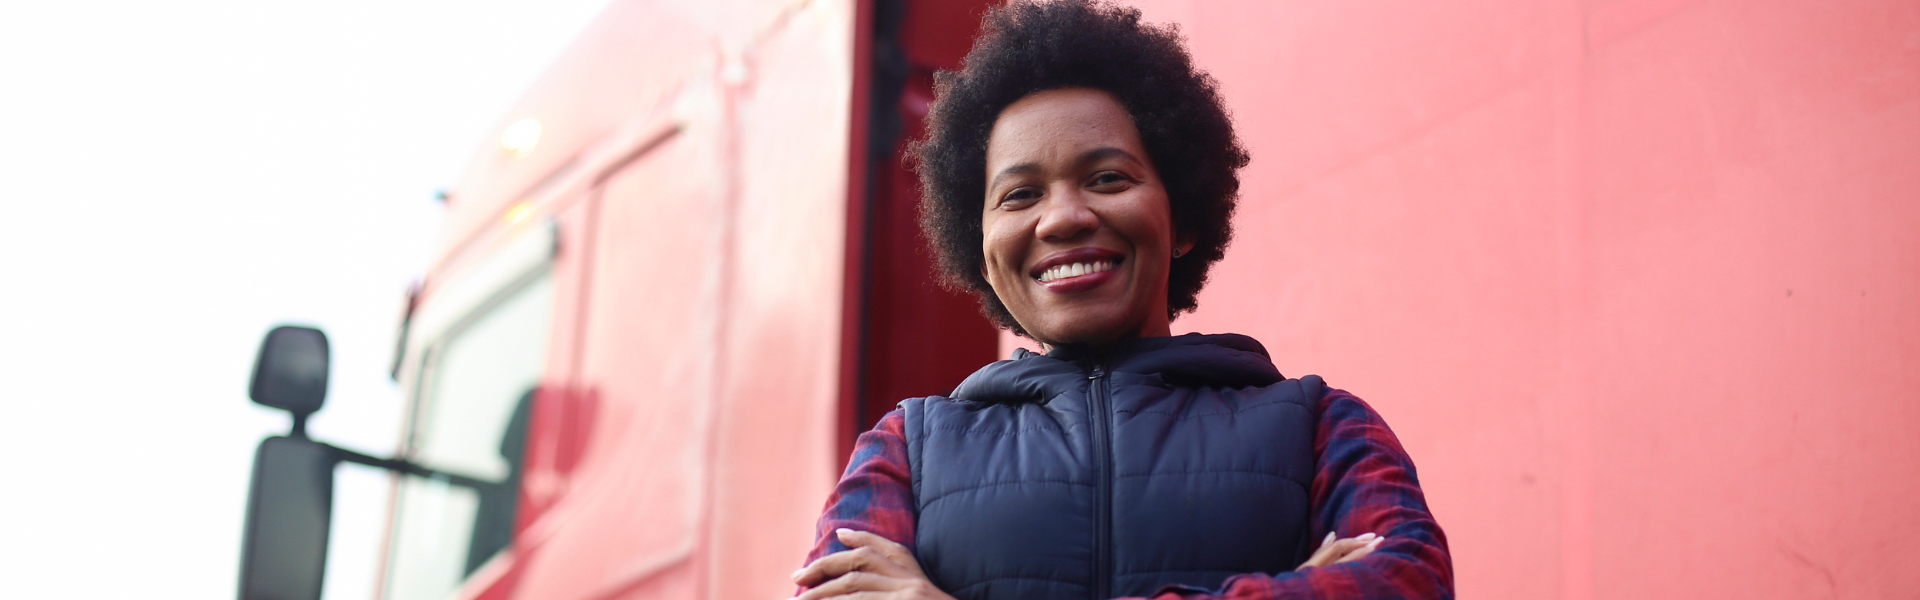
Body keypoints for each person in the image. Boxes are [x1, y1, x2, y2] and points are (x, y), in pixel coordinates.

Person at [792, 1, 1453, 599]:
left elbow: (1407, 584)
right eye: (1021, 195)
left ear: (1184, 217)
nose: (1062, 218)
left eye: (1107, 178)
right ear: (982, 247)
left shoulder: (1322, 430)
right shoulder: (908, 452)